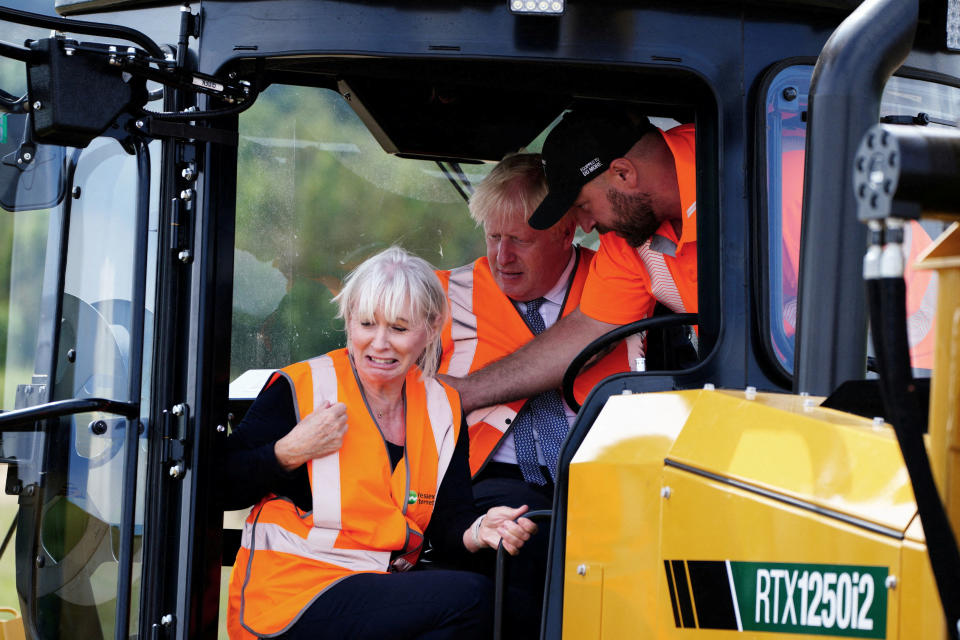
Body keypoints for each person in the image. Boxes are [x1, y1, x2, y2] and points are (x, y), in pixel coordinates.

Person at [223, 246, 537, 640]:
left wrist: (478, 530)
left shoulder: (442, 407)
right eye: (367, 324)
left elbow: (447, 525)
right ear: (349, 321)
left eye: (399, 328)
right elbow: (219, 485)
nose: (380, 343)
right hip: (292, 594)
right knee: (473, 600)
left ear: (432, 326)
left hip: (376, 584)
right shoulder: (301, 387)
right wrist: (288, 452)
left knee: (520, 605)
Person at [435, 153, 629, 639]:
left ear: (568, 232)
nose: (501, 257)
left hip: (604, 477)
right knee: (521, 547)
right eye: (493, 237)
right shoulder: (437, 299)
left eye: (518, 240)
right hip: (484, 477)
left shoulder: (620, 287)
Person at [444, 106, 697, 415]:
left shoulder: (761, 174)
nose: (586, 226)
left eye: (584, 205)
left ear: (623, 173)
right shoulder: (628, 236)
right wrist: (467, 392)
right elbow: (591, 327)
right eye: (494, 237)